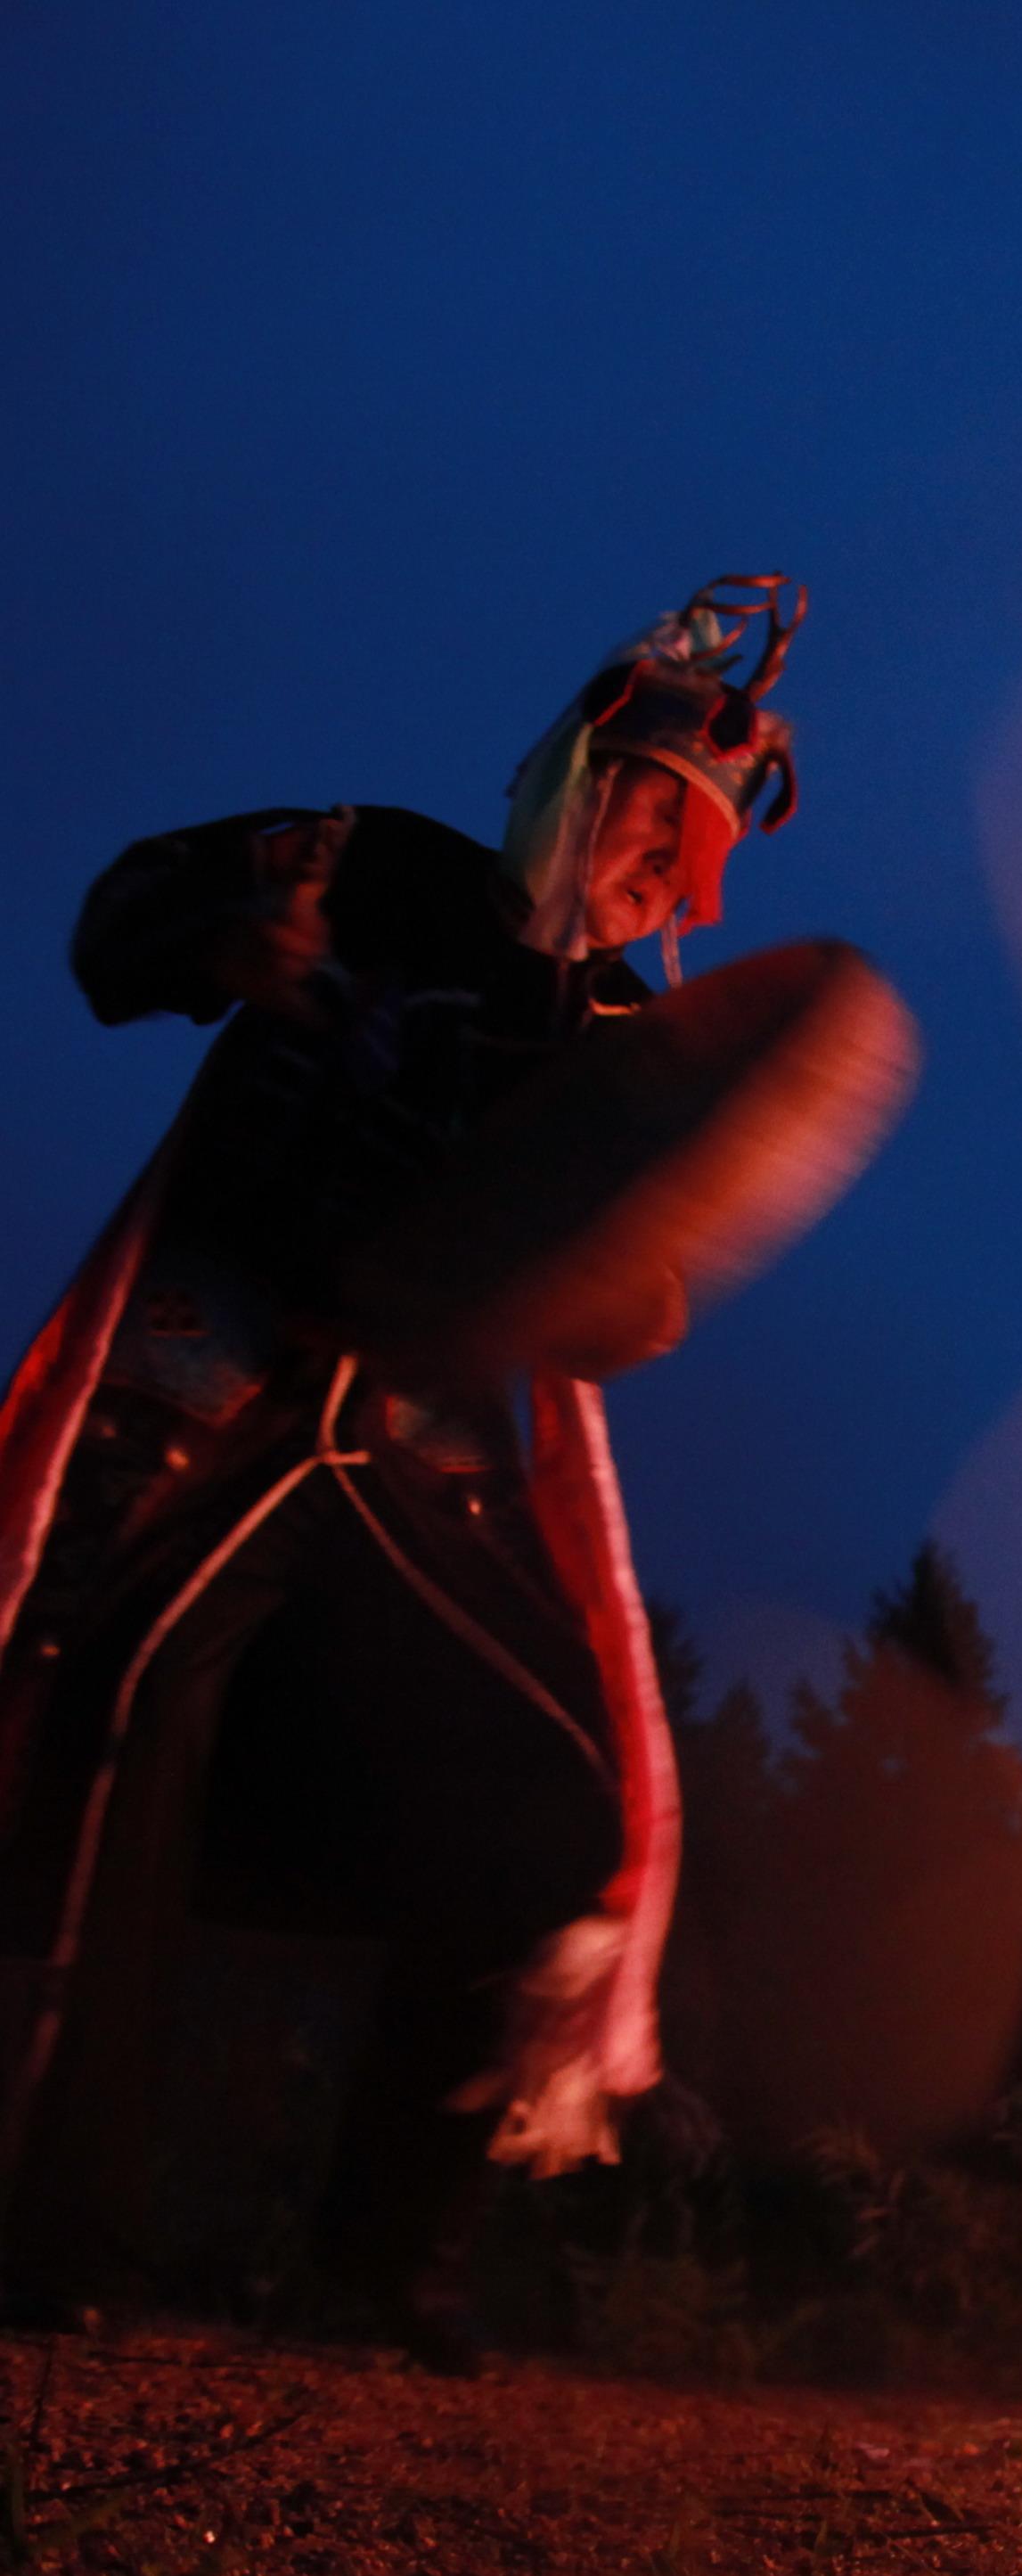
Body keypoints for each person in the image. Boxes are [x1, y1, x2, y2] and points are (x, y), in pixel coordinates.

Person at [0, 574, 807, 2363]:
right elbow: (112, 924)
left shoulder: (608, 1055)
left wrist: (632, 1266)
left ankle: (387, 2266)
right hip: (192, 1411)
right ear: (580, 787)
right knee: (103, 1723)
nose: (657, 886)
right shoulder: (370, 869)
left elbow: (606, 1305)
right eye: (650, 834)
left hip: (402, 1470)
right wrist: (222, 941)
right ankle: (48, 2242)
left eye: (685, 874)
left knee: (560, 1799)